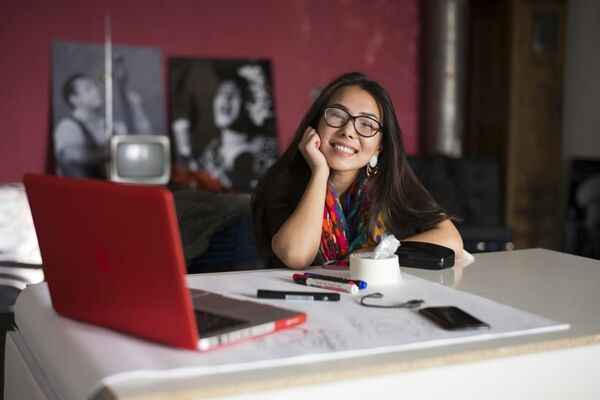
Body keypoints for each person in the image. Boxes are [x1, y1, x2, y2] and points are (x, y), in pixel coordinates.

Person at [251, 72, 463, 269]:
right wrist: (319, 172)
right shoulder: (282, 183)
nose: (348, 131)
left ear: (380, 146)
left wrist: (373, 254)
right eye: (337, 115)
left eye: (366, 124)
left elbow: (451, 240)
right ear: (316, 124)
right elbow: (296, 256)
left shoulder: (391, 184)